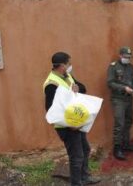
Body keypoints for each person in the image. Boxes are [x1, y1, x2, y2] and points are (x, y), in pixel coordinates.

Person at [43, 52, 100, 186]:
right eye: (69, 63)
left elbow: (83, 88)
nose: (70, 66)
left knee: (85, 150)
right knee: (76, 156)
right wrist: (69, 125)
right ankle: (76, 183)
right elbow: (51, 110)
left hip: (77, 122)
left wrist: (77, 88)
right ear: (62, 65)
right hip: (66, 127)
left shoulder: (66, 76)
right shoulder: (51, 84)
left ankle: (85, 178)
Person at [107, 46, 133, 160]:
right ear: (120, 55)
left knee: (129, 121)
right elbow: (110, 83)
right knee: (119, 123)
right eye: (126, 56)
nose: (128, 58)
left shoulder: (130, 67)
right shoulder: (113, 67)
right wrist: (124, 88)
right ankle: (117, 149)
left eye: (129, 57)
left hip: (129, 98)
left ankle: (126, 144)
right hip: (118, 99)